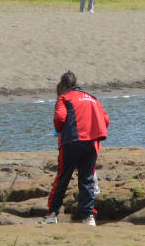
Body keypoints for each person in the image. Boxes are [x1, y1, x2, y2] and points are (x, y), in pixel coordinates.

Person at [45, 71, 110, 226]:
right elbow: (106, 120)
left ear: (62, 86)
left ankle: (52, 214)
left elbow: (60, 118)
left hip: (72, 142)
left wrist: (59, 129)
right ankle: (88, 217)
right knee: (87, 179)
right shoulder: (92, 98)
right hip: (92, 143)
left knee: (63, 177)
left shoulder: (64, 98)